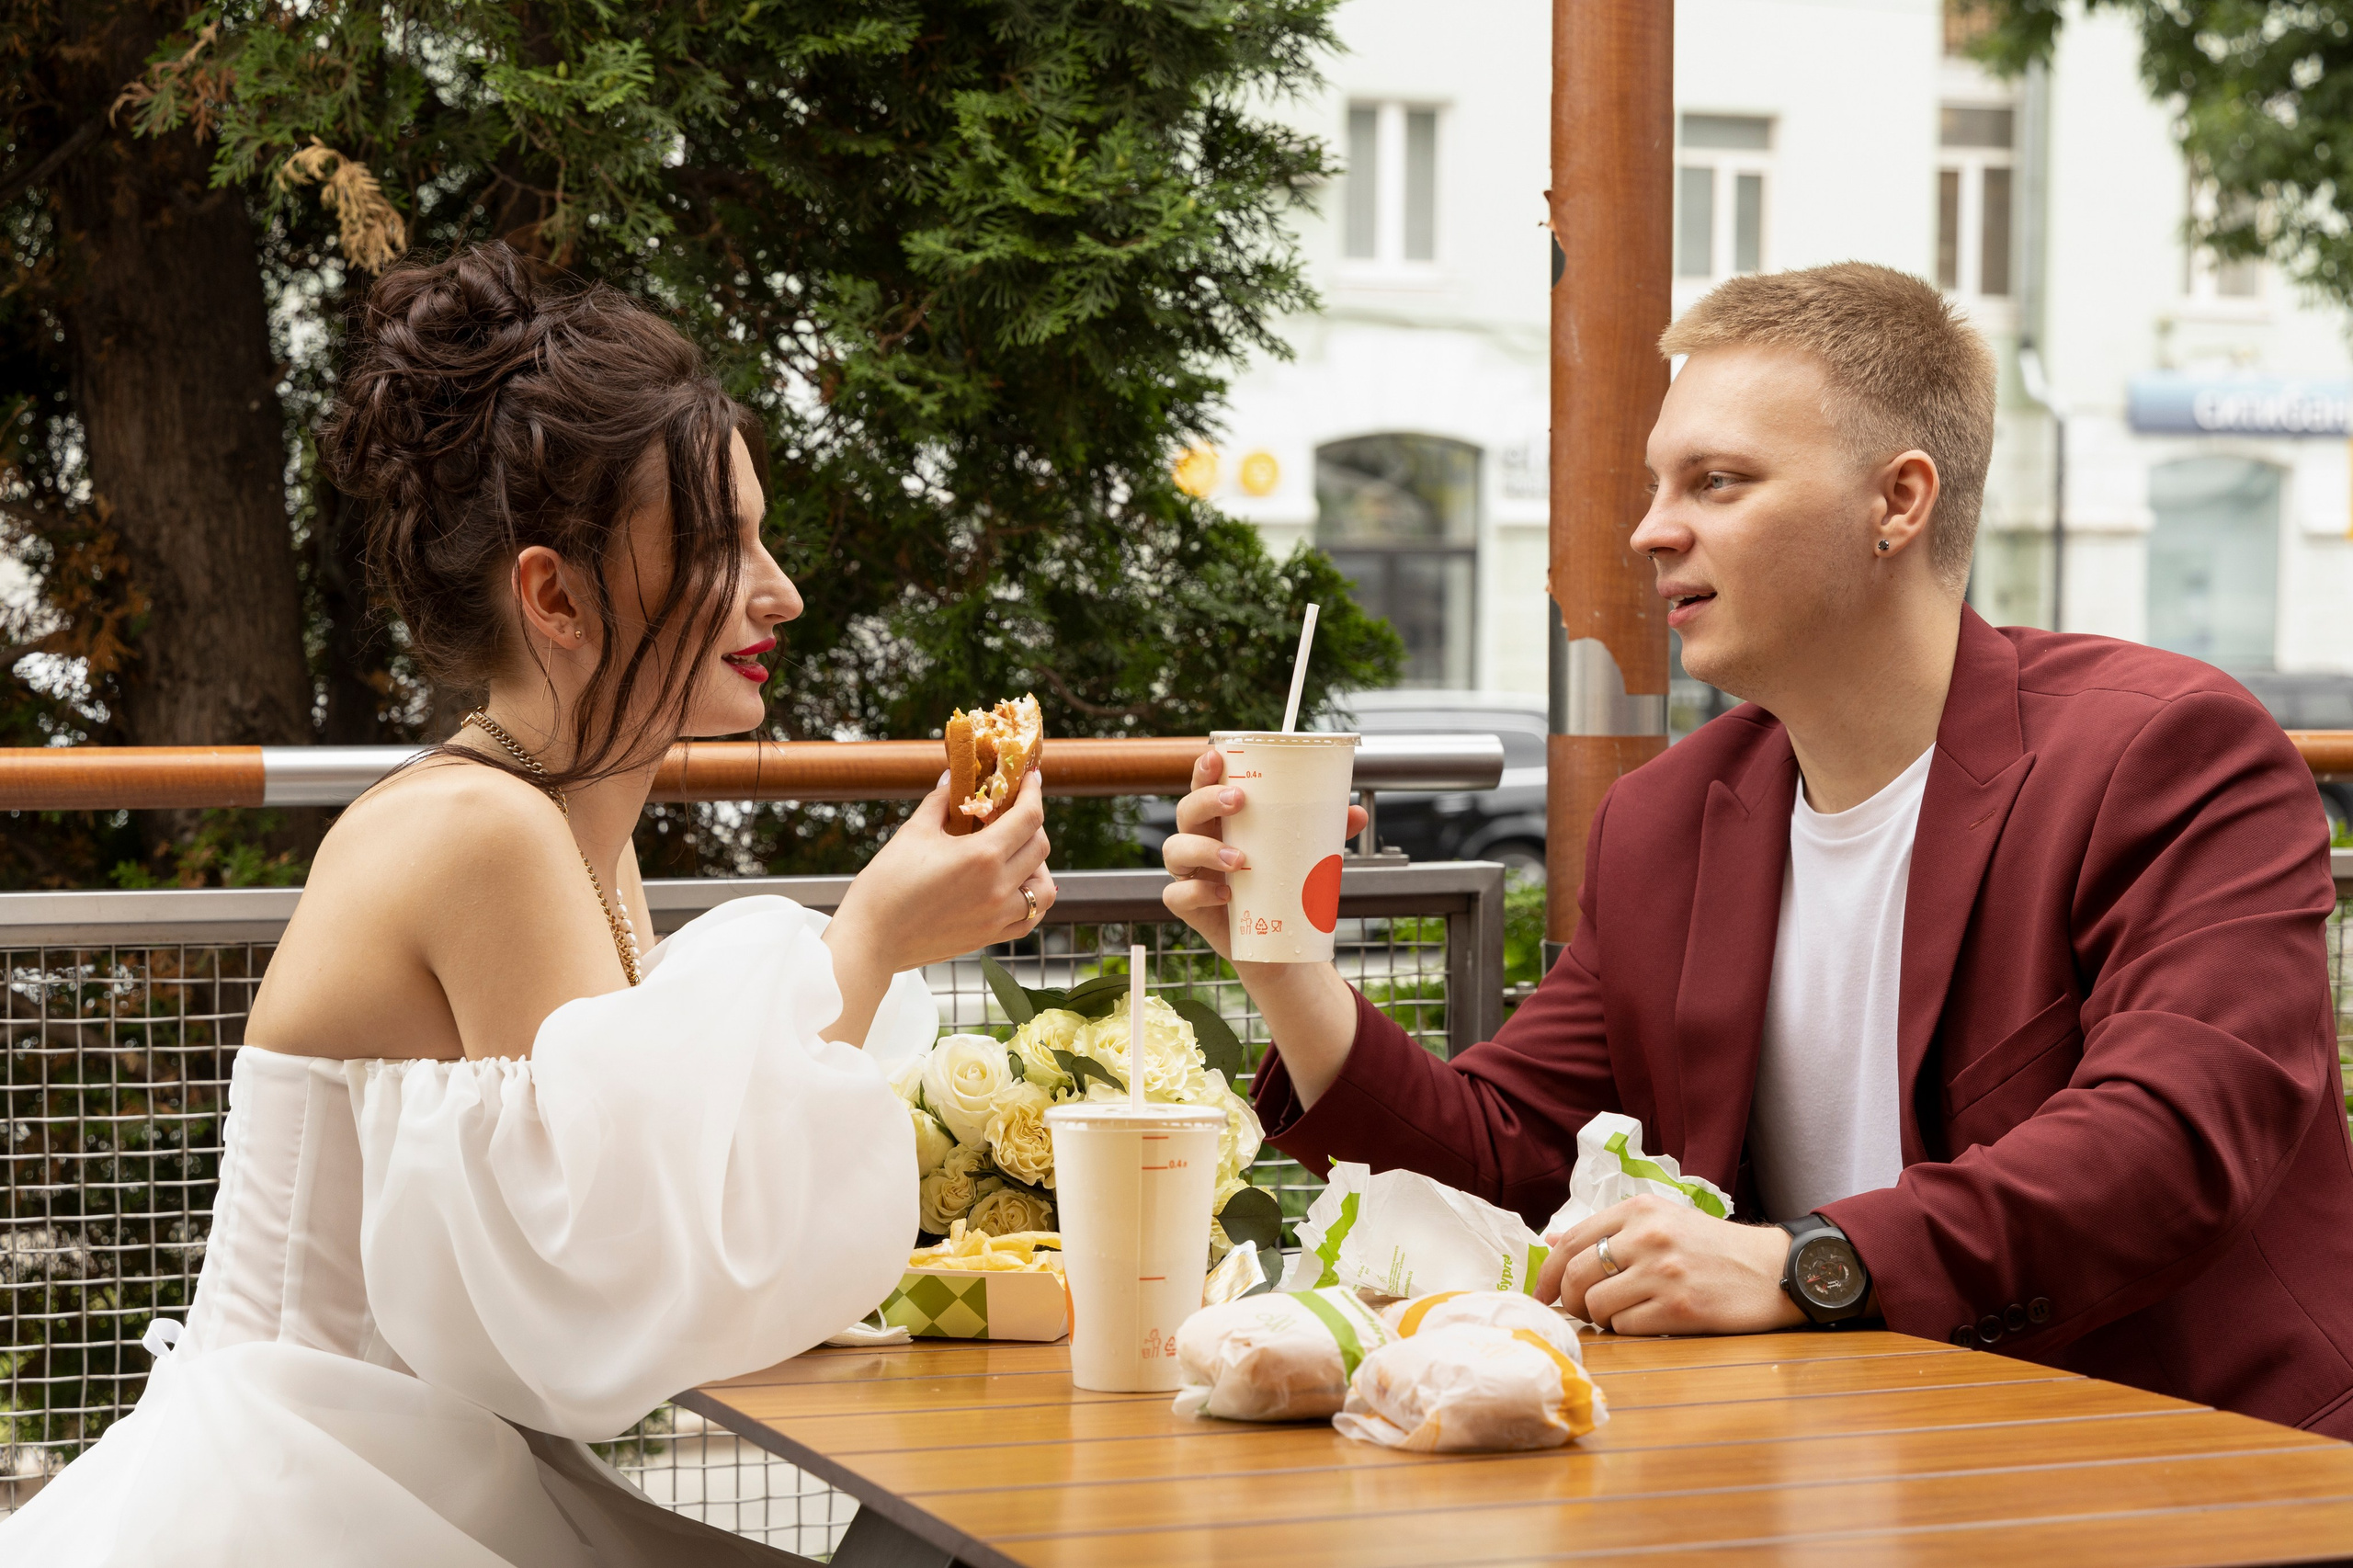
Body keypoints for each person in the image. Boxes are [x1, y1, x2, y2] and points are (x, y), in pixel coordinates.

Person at [1162, 262, 2353, 1438]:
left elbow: (2170, 1137)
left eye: (1716, 481)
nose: (1649, 528)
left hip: (2187, 1471)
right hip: (1839, 1469)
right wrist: (1285, 965)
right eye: (1656, 482)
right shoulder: (1669, 823)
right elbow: (1500, 1157)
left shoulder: (2172, 753)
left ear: (1899, 501)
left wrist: (1803, 1265)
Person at [0, 244, 1055, 1564]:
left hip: (429, 1467)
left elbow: (657, 1189)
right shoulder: (481, 831)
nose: (781, 590)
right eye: (726, 546)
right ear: (554, 594)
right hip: (312, 1498)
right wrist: (877, 936)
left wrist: (883, 936)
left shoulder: (563, 826)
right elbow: (607, 1296)